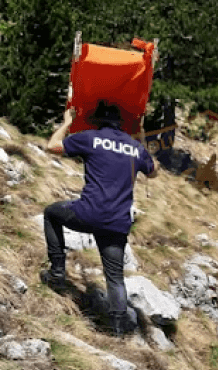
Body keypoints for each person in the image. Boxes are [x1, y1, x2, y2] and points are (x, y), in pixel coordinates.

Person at [42, 100, 158, 336]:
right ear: (121, 124)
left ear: (97, 121)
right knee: (115, 277)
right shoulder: (134, 147)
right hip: (117, 223)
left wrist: (67, 123)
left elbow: (52, 146)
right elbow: (154, 172)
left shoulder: (90, 137)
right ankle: (117, 329)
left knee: (51, 213)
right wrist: (141, 140)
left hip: (88, 213)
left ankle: (56, 273)